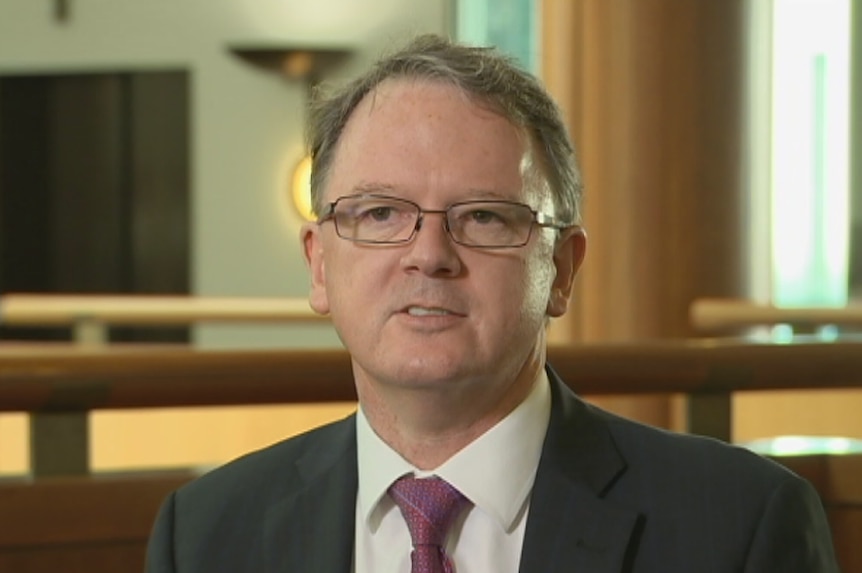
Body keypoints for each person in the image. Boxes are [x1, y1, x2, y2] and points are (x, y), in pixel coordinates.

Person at [145, 34, 839, 572]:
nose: (429, 254)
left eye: (484, 217)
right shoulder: (207, 532)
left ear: (562, 269)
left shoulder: (735, 525)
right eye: (381, 213)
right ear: (319, 262)